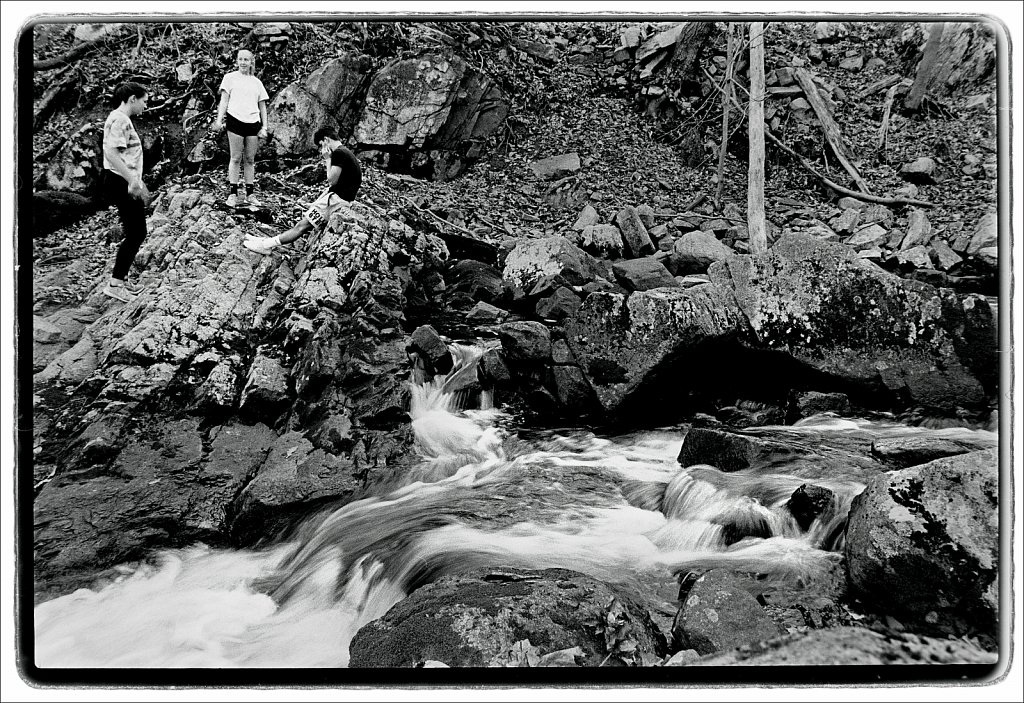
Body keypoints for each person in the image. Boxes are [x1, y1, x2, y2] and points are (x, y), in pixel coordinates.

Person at [242, 127, 361, 255]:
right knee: (301, 223)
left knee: (301, 226)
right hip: (337, 199)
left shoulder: (339, 153)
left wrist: (327, 159)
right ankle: (266, 241)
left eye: (321, 145)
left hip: (335, 202)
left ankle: (266, 246)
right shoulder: (346, 152)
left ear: (326, 140)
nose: (322, 150)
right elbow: (336, 186)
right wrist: (316, 203)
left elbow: (332, 180)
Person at [101, 81, 151, 302]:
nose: (145, 106)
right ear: (133, 99)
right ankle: (116, 283)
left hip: (121, 179)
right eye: (144, 101)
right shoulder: (121, 119)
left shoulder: (119, 118)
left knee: (135, 231)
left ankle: (119, 280)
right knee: (137, 233)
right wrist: (131, 180)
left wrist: (138, 181)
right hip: (120, 180)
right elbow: (111, 153)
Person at [214, 49, 269, 208]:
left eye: (246, 59)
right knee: (235, 157)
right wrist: (219, 120)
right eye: (240, 59)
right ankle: (233, 193)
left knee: (250, 159)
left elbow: (262, 106)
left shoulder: (257, 82)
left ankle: (250, 194)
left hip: (253, 122)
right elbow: (224, 101)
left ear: (251, 61)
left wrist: (264, 126)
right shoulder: (229, 78)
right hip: (235, 120)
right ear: (237, 61)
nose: (243, 62)